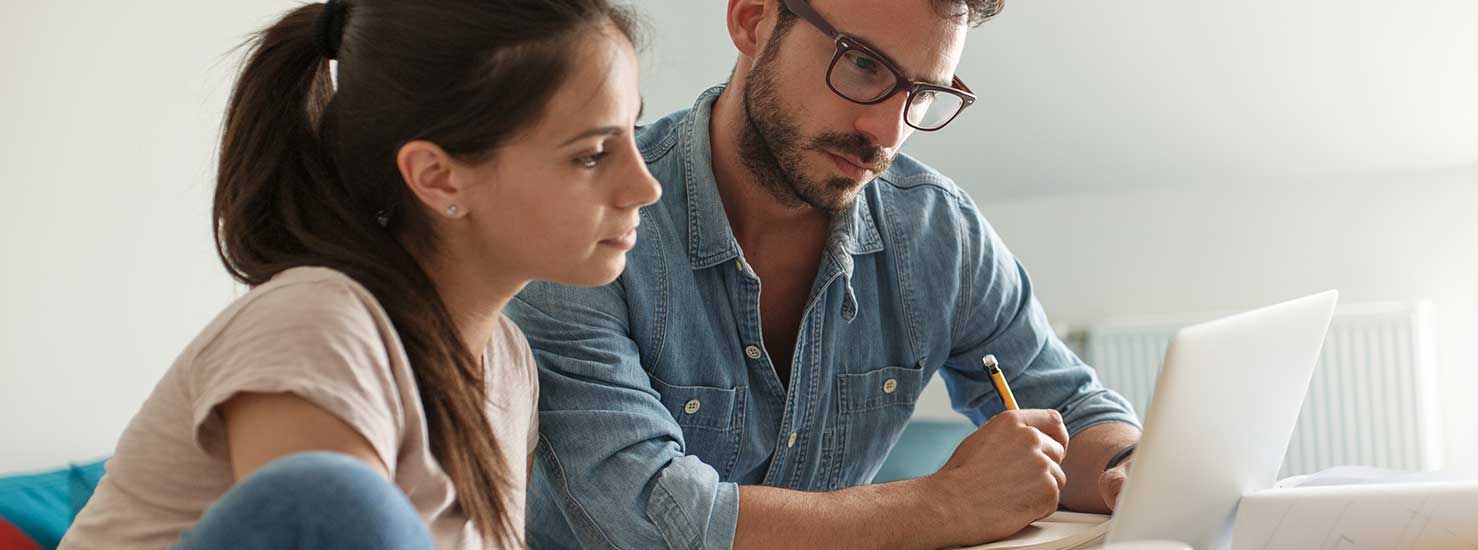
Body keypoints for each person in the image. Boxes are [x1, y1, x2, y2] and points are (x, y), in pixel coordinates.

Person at [505, 0, 1143, 548]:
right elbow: (645, 515)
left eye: (922, 94)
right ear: (753, 20)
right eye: (863, 64)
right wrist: (945, 506)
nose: (885, 132)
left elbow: (1073, 406)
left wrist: (1132, 469)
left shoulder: (935, 230)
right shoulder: (592, 219)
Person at [63, 0, 659, 547]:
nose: (645, 186)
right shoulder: (316, 323)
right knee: (333, 497)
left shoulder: (508, 364)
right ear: (438, 176)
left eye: (633, 133)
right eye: (591, 154)